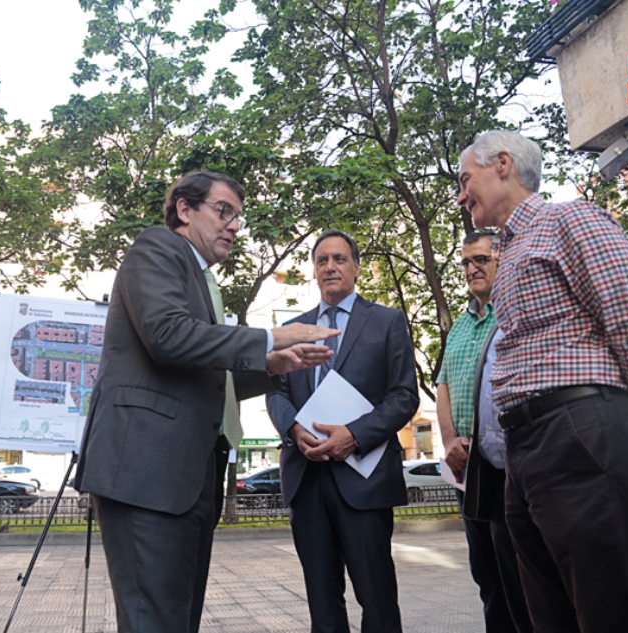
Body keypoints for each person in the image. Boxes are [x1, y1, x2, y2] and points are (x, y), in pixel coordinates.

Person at [73, 171, 338, 633]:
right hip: (146, 477)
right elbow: (168, 337)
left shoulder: (200, 278)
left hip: (190, 479)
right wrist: (272, 335)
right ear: (184, 209)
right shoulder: (156, 248)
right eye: (223, 211)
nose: (234, 225)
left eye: (239, 216)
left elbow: (206, 374)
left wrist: (273, 364)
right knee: (152, 622)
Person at [457, 130, 628, 632]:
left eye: (465, 179)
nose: (461, 194)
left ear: (503, 164)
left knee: (616, 610)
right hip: (527, 454)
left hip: (581, 434)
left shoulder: (569, 219)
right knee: (551, 616)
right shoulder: (510, 252)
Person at [266, 230, 419, 633]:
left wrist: (355, 434)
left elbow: (404, 396)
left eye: (339, 259)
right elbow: (277, 392)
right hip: (306, 476)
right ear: (314, 271)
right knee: (321, 600)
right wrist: (293, 426)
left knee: (377, 598)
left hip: (363, 480)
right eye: (322, 261)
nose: (330, 267)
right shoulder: (293, 327)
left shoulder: (387, 321)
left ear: (354, 267)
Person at [437, 231, 531, 633]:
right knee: (487, 575)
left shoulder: (517, 311)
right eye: (465, 262)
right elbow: (442, 383)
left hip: (513, 467)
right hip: (468, 469)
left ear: (502, 260)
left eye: (481, 259)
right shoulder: (459, 326)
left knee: (522, 576)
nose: (472, 268)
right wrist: (447, 441)